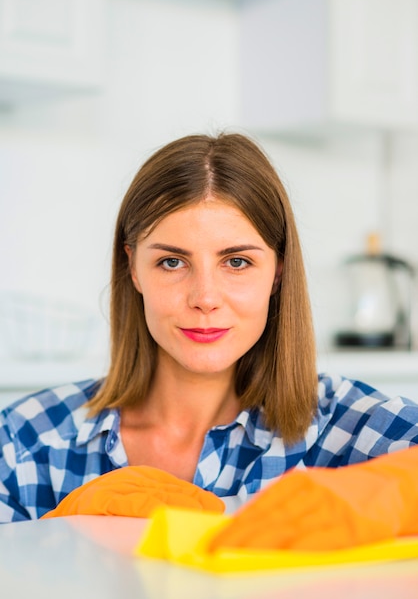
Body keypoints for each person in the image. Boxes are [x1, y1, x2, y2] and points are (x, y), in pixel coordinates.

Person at [0, 132, 418, 525]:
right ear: (134, 269)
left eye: (237, 262)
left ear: (278, 272)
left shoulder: (343, 428)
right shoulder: (25, 442)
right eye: (172, 262)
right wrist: (55, 538)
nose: (204, 297)